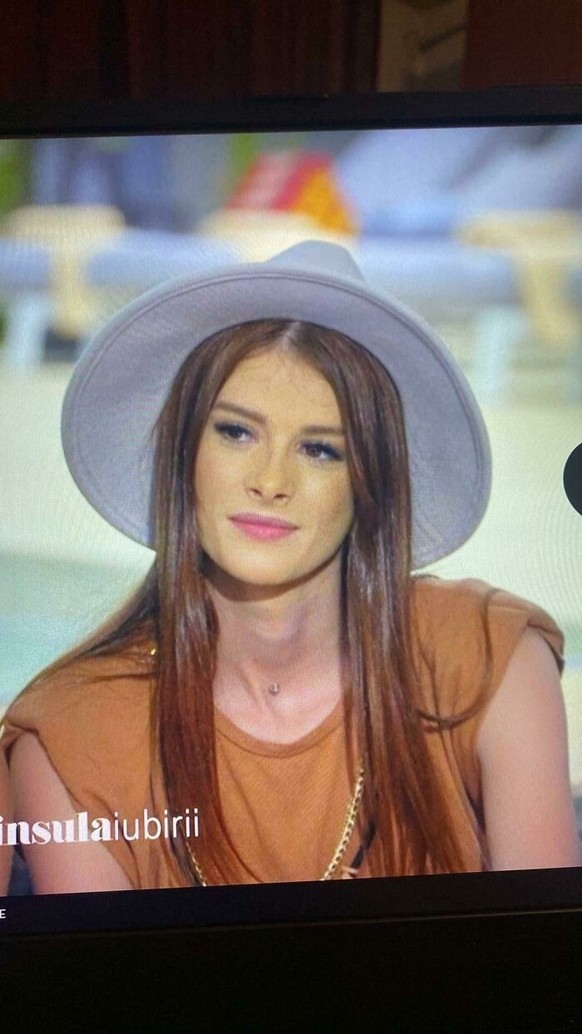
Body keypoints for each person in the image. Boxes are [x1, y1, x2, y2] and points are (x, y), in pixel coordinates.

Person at [1, 241, 579, 892]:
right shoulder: (73, 733)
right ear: (183, 453)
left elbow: (549, 947)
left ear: (369, 481)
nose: (271, 481)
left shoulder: (487, 661)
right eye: (236, 432)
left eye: (320, 450)